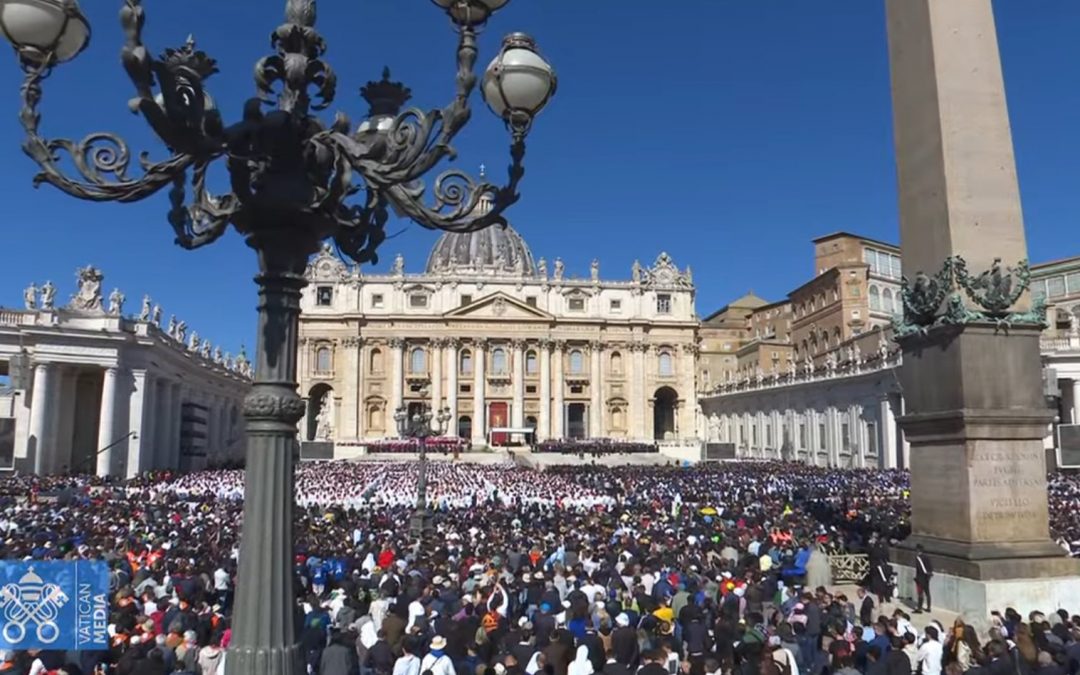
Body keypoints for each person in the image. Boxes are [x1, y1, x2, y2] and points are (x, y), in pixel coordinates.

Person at [913, 545, 933, 614]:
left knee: (920, 593)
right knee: (927, 593)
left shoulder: (918, 558)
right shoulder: (927, 557)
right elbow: (930, 567)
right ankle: (928, 607)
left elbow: (919, 569)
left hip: (920, 578)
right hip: (927, 577)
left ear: (918, 550)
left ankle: (919, 608)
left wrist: (916, 578)